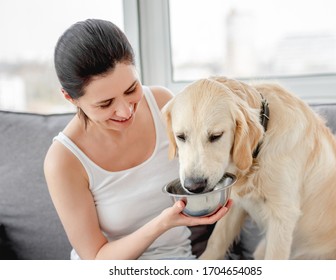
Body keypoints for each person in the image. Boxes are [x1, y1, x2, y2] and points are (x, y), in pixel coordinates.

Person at [44, 19, 232, 260]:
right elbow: (95, 259)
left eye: (132, 89)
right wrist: (162, 224)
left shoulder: (163, 103)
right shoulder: (63, 160)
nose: (125, 111)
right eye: (105, 103)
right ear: (71, 98)